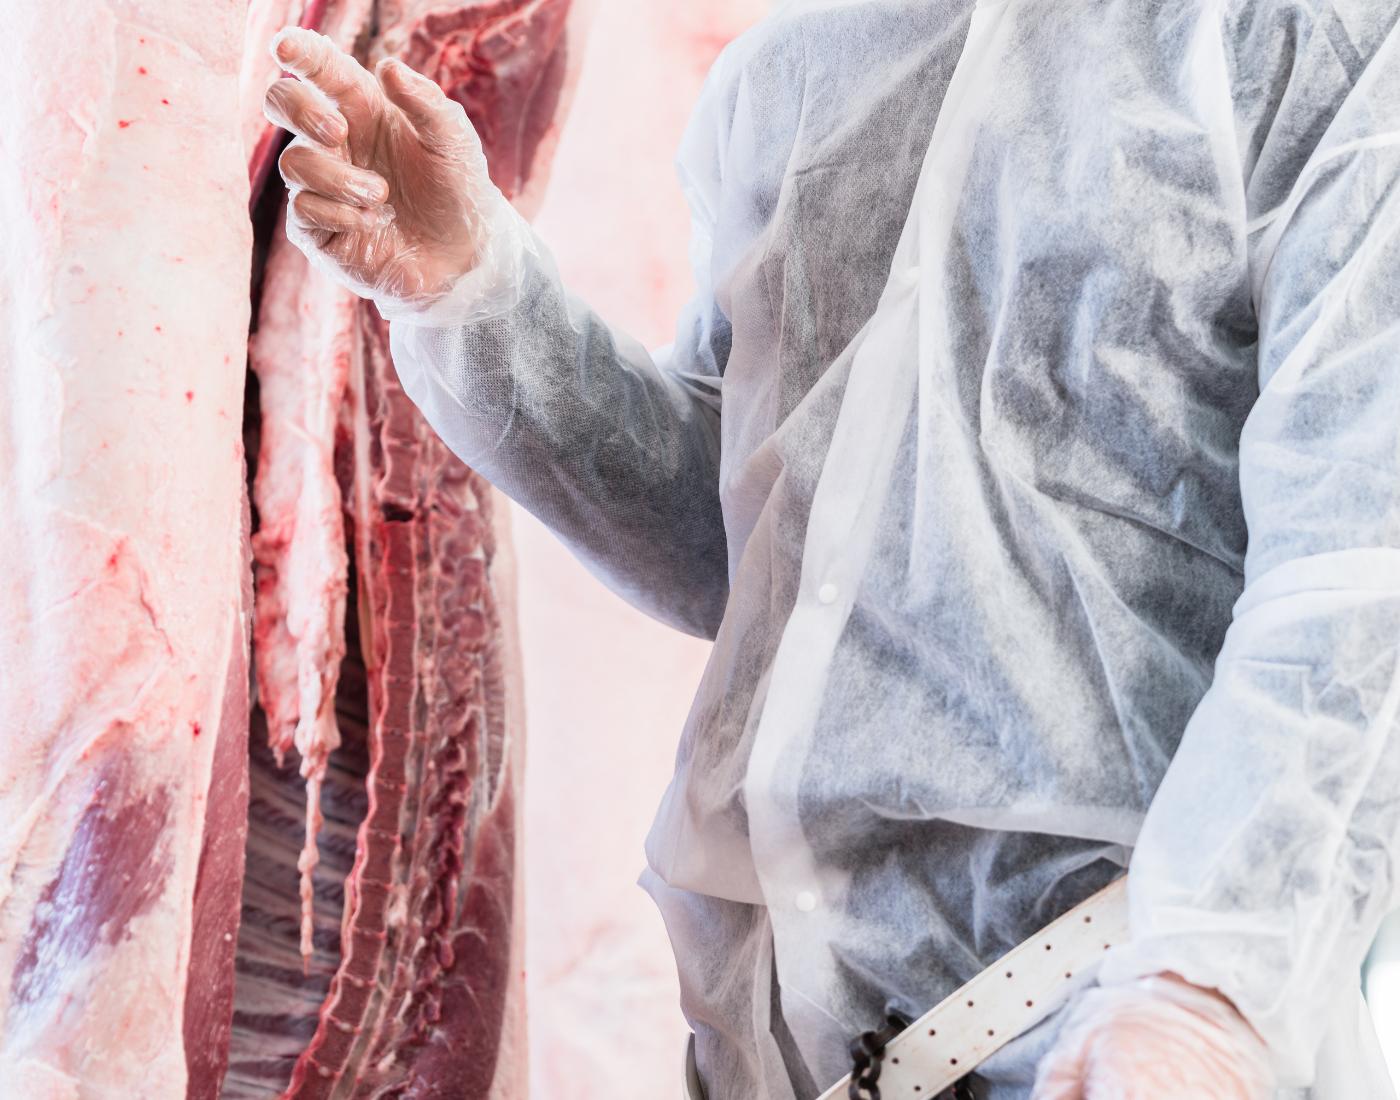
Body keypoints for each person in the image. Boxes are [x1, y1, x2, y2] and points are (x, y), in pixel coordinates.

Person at [263, 2, 1400, 1096]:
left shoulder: (1315, 45)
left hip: (1114, 1021)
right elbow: (762, 556)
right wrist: (479, 296)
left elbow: (1357, 565)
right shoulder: (787, 73)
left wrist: (1206, 986)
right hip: (782, 1040)